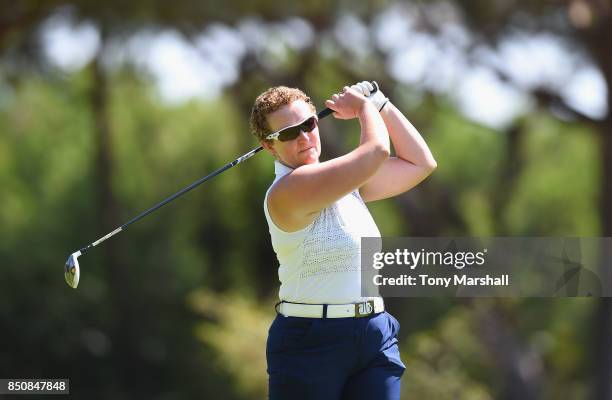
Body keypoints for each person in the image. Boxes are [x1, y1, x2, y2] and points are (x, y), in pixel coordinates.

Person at [249, 81, 437, 400]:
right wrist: (363, 107)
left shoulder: (348, 185)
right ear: (270, 146)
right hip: (309, 343)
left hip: (373, 334)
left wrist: (380, 101)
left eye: (309, 124)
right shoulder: (286, 193)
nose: (305, 137)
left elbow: (420, 163)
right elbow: (376, 151)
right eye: (288, 133)